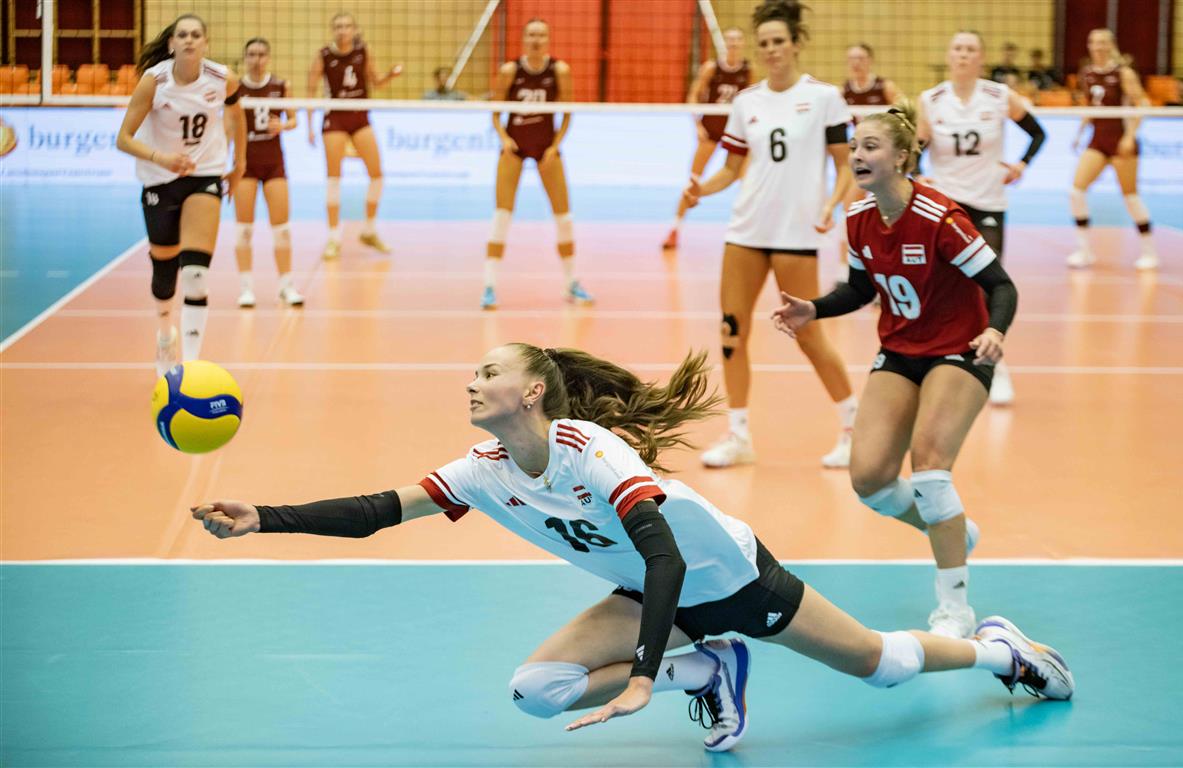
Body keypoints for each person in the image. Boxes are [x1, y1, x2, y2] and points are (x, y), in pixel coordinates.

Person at [192, 342, 1074, 752]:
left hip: (733, 581)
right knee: (536, 692)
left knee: (883, 667)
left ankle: (1002, 650)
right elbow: (378, 510)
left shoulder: (592, 452)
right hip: (654, 599)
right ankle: (710, 671)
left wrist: (644, 674)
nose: (470, 381)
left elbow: (668, 561)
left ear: (532, 393)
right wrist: (260, 516)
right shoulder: (483, 470)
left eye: (488, 373)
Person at [773, 103, 1019, 639]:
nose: (857, 156)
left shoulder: (941, 219)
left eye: (870, 147)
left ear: (903, 157)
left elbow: (1002, 285)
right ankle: (952, 528)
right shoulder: (859, 218)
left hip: (959, 349)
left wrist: (996, 331)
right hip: (902, 350)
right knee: (869, 480)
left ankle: (954, 608)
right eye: (854, 147)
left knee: (930, 471)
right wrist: (814, 308)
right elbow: (860, 289)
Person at [683, 0, 857, 469]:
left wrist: (831, 204)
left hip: (796, 233)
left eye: (779, 41)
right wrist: (702, 188)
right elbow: (732, 168)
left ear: (796, 44)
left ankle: (852, 426)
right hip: (747, 230)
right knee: (731, 332)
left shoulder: (824, 97)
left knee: (808, 334)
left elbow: (845, 166)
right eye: (764, 43)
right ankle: (738, 435)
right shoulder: (746, 102)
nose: (771, 49)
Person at [916, 30, 1046, 407]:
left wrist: (1022, 164)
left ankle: (995, 365)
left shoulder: (999, 95)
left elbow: (1038, 134)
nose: (963, 55)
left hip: (988, 202)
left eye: (970, 49)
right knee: (941, 284)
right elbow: (917, 146)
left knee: (988, 285)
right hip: (946, 205)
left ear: (981, 58)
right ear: (949, 55)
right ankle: (935, 361)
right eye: (957, 48)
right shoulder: (931, 99)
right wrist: (917, 173)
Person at [116, 13, 246, 376]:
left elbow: (237, 116)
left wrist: (240, 164)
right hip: (159, 178)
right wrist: (162, 158)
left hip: (204, 175)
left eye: (196, 35)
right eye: (183, 35)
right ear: (172, 43)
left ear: (205, 43)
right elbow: (123, 139)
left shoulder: (222, 78)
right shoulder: (154, 81)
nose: (189, 40)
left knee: (196, 276)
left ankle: (189, 368)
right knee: (164, 275)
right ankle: (164, 335)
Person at [483, 19, 592, 311]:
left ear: (548, 39)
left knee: (564, 217)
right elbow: (495, 111)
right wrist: (504, 139)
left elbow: (567, 111)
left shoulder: (559, 70)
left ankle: (571, 282)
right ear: (523, 38)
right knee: (502, 216)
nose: (536, 39)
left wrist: (555, 146)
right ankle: (489, 286)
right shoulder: (510, 71)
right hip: (514, 148)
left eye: (541, 35)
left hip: (546, 148)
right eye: (531, 34)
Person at [306, 11, 402, 260]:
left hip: (360, 116)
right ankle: (333, 237)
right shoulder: (323, 55)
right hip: (335, 117)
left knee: (377, 175)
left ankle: (369, 230)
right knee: (334, 178)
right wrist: (309, 126)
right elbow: (310, 90)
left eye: (347, 26)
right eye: (338, 26)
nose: (342, 30)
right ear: (333, 30)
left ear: (354, 29)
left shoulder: (363, 51)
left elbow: (377, 82)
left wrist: (390, 75)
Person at [1067, 28, 1157, 271]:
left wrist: (1130, 136)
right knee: (1076, 191)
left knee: (1130, 196)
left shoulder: (1123, 73)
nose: (1097, 47)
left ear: (1110, 45)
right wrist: (1079, 133)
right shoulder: (1086, 73)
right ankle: (1084, 251)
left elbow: (1142, 103)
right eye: (1093, 42)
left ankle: (1149, 252)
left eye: (1102, 42)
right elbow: (1091, 106)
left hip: (1120, 141)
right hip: (1097, 140)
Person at [661, 27, 752, 251]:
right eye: (730, 40)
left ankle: (747, 232)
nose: (733, 44)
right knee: (693, 179)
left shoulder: (748, 70)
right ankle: (675, 229)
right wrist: (697, 125)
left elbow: (752, 100)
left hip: (736, 133)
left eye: (737, 40)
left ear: (742, 44)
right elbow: (693, 95)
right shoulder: (711, 68)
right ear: (725, 44)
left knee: (747, 182)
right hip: (711, 130)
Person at [234, 37, 303, 308]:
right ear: (245, 58)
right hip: (245, 164)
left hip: (274, 163)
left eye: (261, 54)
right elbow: (227, 127)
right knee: (244, 229)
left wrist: (283, 126)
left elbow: (294, 119)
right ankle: (246, 289)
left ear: (269, 58)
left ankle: (286, 286)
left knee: (282, 229)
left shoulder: (280, 85)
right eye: (251, 54)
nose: (256, 59)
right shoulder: (235, 88)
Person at [839, 42, 900, 273]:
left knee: (889, 209)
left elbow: (905, 114)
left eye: (861, 58)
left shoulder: (884, 87)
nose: (856, 63)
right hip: (860, 157)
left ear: (870, 61)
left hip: (884, 160)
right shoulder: (844, 91)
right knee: (850, 208)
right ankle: (846, 267)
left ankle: (889, 261)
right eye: (852, 59)